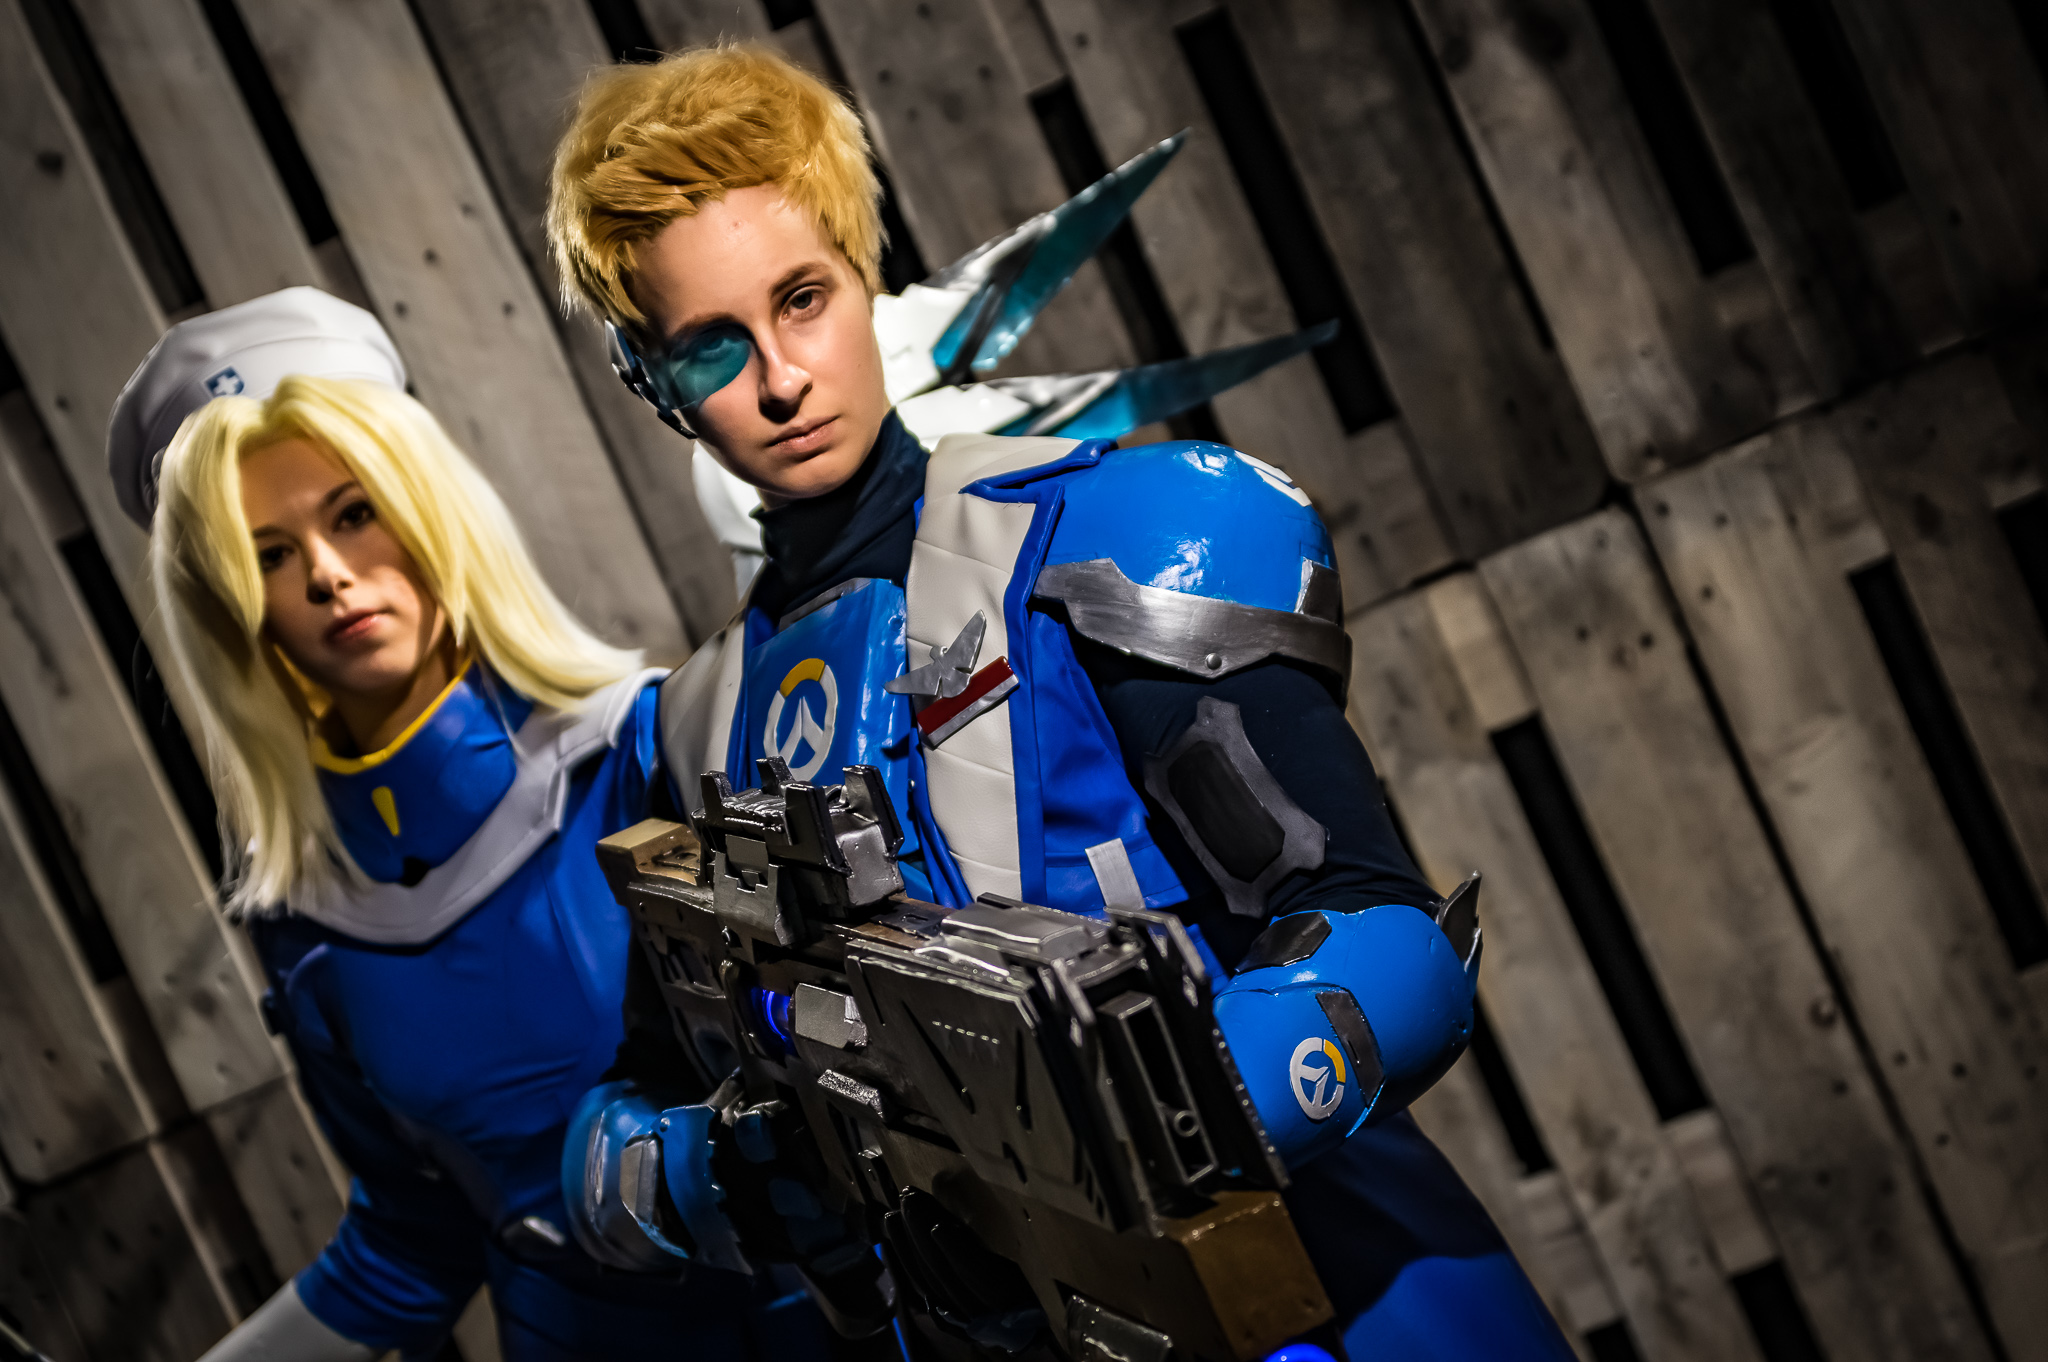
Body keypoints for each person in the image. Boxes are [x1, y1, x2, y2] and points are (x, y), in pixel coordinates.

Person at [546, 43, 1579, 1362]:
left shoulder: (1107, 541)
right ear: (647, 381)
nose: (782, 377)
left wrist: (1129, 1148)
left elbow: (1385, 940)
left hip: (1309, 1290)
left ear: (864, 275)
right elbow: (621, 1129)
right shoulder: (695, 727)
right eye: (710, 349)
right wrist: (750, 1170)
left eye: (803, 299)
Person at [107, 287, 837, 1361]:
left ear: (427, 509)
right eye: (268, 555)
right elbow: (413, 1241)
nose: (329, 576)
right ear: (232, 610)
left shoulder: (652, 746)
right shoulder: (302, 911)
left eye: (354, 513)